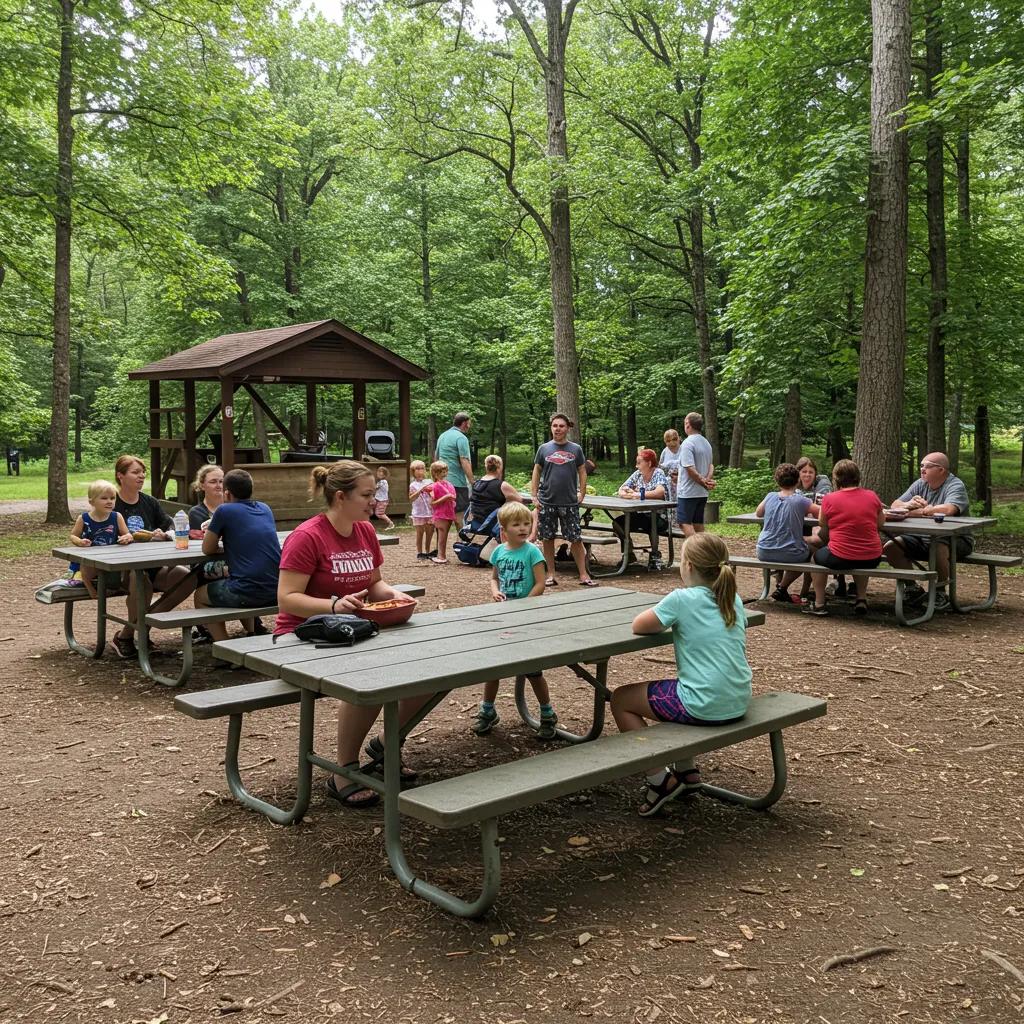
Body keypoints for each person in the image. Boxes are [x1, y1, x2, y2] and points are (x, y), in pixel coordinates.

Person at [275, 461, 429, 808]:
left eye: (374, 493)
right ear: (341, 497)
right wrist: (332, 606)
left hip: (357, 630)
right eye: (367, 494)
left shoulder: (364, 531)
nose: (373, 501)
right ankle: (343, 768)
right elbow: (286, 599)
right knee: (370, 678)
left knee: (432, 670)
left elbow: (374, 584)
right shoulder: (308, 536)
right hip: (305, 634)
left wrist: (394, 596)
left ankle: (387, 745)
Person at [612, 533, 751, 817]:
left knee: (620, 699)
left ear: (687, 566)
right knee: (681, 688)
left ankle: (659, 779)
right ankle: (687, 772)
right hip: (737, 699)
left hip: (703, 704)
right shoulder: (732, 598)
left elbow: (640, 625)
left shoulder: (681, 599)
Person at [470, 502, 559, 740]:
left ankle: (547, 714)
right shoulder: (499, 551)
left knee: (533, 670)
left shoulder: (532, 552)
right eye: (516, 524)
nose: (522, 528)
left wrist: (524, 605)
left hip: (528, 620)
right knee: (494, 666)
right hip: (504, 618)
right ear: (504, 529)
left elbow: (540, 584)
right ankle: (487, 711)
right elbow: (494, 578)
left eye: (526, 523)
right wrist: (494, 591)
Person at [111, 454, 197, 659]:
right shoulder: (110, 502)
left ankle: (140, 628)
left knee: (188, 577)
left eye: (142, 472)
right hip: (122, 568)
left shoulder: (150, 502)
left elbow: (168, 525)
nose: (141, 476)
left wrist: (163, 533)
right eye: (135, 472)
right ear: (120, 476)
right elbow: (100, 533)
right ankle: (130, 634)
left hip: (155, 563)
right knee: (142, 582)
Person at [193, 469, 280, 641]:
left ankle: (224, 648)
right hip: (277, 589)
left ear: (227, 493)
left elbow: (207, 549)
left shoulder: (224, 510)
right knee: (240, 577)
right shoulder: (265, 508)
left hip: (247, 592)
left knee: (200, 596)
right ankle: (251, 633)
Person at [883, 452, 972, 612]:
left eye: (927, 466)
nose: (922, 470)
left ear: (941, 470)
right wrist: (910, 504)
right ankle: (911, 588)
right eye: (921, 466)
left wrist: (918, 510)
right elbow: (895, 505)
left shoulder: (954, 485)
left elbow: (949, 509)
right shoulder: (920, 483)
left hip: (956, 540)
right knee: (891, 547)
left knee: (938, 544)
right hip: (921, 537)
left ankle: (940, 592)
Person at [806, 459, 884, 616]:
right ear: (857, 476)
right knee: (861, 558)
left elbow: (822, 522)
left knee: (815, 558)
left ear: (836, 478)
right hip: (873, 556)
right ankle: (861, 599)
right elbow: (880, 523)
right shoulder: (872, 496)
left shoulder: (830, 498)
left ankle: (819, 603)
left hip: (840, 556)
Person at [531, 413, 597, 587]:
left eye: (561, 426)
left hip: (569, 502)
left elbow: (582, 470)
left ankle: (583, 574)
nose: (557, 429)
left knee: (575, 538)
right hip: (547, 500)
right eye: (555, 426)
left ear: (567, 428)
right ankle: (550, 574)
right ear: (551, 428)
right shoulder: (544, 449)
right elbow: (537, 470)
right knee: (547, 538)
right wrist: (534, 495)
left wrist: (582, 493)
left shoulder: (575, 449)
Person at [755, 463, 822, 605]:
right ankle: (783, 587)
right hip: (792, 553)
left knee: (798, 548)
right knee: (814, 553)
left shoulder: (770, 496)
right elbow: (821, 513)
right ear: (798, 480)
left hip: (763, 550)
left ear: (777, 481)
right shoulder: (802, 500)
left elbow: (758, 512)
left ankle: (781, 588)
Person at [68, 480, 133, 597]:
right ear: (91, 501)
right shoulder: (83, 518)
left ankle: (119, 584)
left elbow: (128, 534)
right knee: (85, 563)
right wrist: (79, 541)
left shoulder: (117, 517)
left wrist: (126, 538)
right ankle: (87, 583)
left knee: (121, 573)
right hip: (91, 558)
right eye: (104, 498)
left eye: (112, 498)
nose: (109, 502)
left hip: (110, 558)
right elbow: (73, 536)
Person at [615, 448, 670, 569]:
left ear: (649, 463)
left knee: (652, 522)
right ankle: (628, 553)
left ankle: (655, 556)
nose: (636, 466)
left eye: (639, 463)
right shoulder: (638, 474)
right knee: (618, 523)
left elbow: (660, 492)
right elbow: (622, 488)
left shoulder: (658, 473)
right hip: (641, 514)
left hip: (660, 517)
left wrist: (638, 494)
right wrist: (625, 493)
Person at [793, 456, 836, 600]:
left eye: (810, 472)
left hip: (820, 529)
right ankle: (783, 586)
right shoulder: (792, 484)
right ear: (798, 473)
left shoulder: (823, 483)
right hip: (801, 527)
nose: (807, 475)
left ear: (815, 474)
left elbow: (822, 507)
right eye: (804, 471)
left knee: (813, 546)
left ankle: (804, 590)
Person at [463, 454, 520, 540]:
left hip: (476, 523)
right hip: (492, 525)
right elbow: (520, 500)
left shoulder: (476, 484)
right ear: (500, 467)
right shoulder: (501, 485)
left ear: (486, 467)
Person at [676, 412, 715, 537]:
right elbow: (711, 466)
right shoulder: (706, 443)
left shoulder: (687, 443)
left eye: (685, 423)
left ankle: (696, 551)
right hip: (701, 492)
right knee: (698, 523)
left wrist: (703, 481)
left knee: (684, 523)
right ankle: (705, 552)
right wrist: (707, 481)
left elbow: (690, 468)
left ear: (688, 425)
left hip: (688, 492)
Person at [435, 412, 474, 516]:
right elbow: (464, 460)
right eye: (469, 423)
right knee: (460, 516)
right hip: (457, 483)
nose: (469, 426)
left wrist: (435, 480)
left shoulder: (442, 436)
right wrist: (472, 481)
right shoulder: (461, 438)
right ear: (464, 423)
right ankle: (461, 532)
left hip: (442, 483)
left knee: (443, 517)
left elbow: (436, 459)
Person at [428, 460, 457, 564]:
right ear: (435, 473)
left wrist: (449, 497)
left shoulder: (449, 485)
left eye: (445, 471)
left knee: (444, 536)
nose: (445, 474)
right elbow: (432, 503)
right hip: (440, 514)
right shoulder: (434, 486)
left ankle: (442, 555)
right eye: (442, 472)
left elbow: (453, 497)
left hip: (449, 513)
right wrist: (445, 497)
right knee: (441, 536)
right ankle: (441, 556)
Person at [408, 460, 436, 560]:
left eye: (422, 468)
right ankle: (420, 552)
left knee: (430, 533)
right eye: (417, 468)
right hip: (419, 513)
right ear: (413, 471)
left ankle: (427, 551)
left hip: (430, 512)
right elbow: (411, 498)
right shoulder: (413, 485)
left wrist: (429, 492)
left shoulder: (430, 482)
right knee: (420, 533)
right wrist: (420, 490)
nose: (420, 471)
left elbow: (434, 495)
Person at [189, 464, 224, 530]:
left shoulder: (234, 508)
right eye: (213, 482)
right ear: (202, 486)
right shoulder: (196, 513)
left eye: (221, 481)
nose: (218, 485)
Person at [659, 428, 682, 501]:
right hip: (668, 485)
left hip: (682, 483)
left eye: (674, 439)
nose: (672, 443)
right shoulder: (665, 452)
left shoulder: (685, 449)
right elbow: (660, 468)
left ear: (678, 439)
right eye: (668, 441)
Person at [372, 465, 395, 531]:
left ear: (384, 474)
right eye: (378, 471)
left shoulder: (383, 482)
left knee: (379, 514)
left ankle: (391, 523)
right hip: (378, 499)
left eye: (381, 472)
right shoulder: (380, 481)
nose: (379, 473)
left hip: (382, 501)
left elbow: (375, 488)